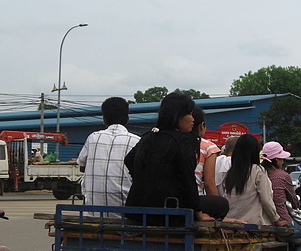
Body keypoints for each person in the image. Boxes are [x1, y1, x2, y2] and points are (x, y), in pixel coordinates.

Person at [124, 92, 228, 223]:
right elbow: (188, 179)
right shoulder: (183, 141)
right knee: (221, 204)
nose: (192, 119)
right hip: (170, 210)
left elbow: (129, 159)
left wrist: (143, 181)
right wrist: (198, 213)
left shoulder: (148, 137)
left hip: (137, 209)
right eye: (189, 114)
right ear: (177, 116)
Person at [76, 97, 140, 212]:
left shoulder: (93, 138)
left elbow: (82, 167)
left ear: (104, 120)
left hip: (92, 214)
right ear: (127, 119)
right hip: (125, 215)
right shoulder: (137, 141)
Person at [260, 141, 301, 251]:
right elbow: (294, 201)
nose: (282, 160)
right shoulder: (282, 176)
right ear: (274, 159)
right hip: (281, 221)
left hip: (262, 221)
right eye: (280, 158)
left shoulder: (259, 172)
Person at [223, 134, 280, 225]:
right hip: (253, 224)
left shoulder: (230, 172)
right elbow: (266, 200)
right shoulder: (258, 171)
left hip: (231, 222)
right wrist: (276, 219)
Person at [190, 106, 221, 196]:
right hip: (197, 199)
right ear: (202, 126)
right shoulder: (209, 147)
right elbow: (209, 185)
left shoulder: (172, 142)